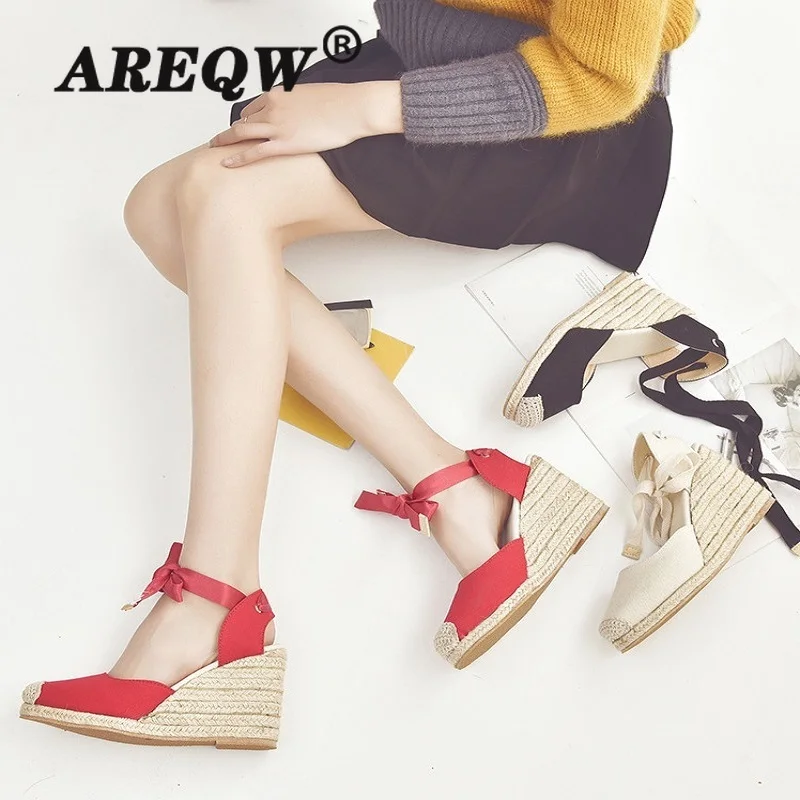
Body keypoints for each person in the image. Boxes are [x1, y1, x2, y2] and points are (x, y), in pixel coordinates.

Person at [21, 0, 698, 739]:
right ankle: (461, 489)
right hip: (424, 62)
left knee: (223, 196)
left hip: (548, 115)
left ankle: (215, 601)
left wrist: (367, 108)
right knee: (156, 209)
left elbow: (604, 78)